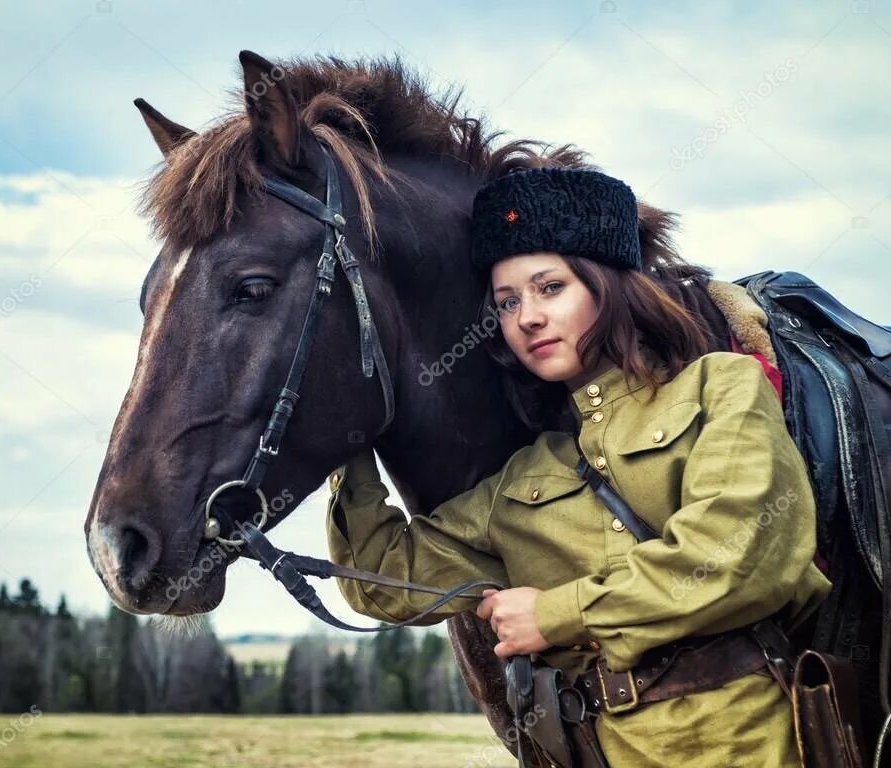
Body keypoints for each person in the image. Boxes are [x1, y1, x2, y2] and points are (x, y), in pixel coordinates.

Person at [325, 166, 833, 767]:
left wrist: (554, 614)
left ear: (607, 284)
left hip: (745, 743)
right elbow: (379, 578)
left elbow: (740, 554)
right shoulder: (520, 482)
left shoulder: (721, 387)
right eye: (507, 302)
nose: (527, 318)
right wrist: (348, 437)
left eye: (550, 288)